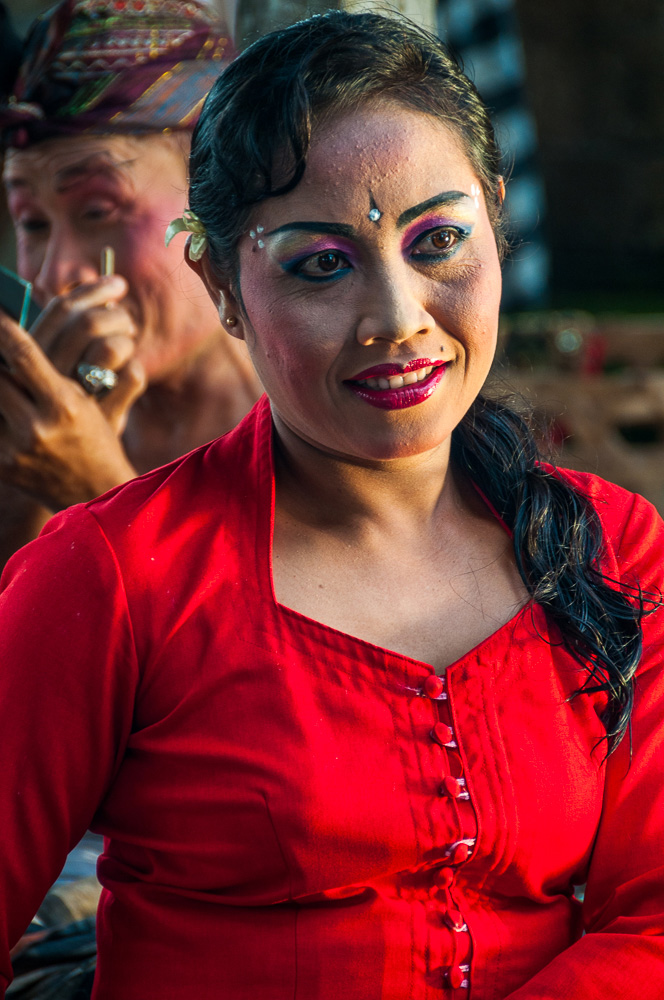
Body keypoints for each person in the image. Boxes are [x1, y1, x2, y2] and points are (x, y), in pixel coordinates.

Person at [1, 10, 664, 999]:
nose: (397, 320)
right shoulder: (108, 571)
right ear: (222, 283)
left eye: (439, 238)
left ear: (495, 214)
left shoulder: (615, 545)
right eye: (320, 264)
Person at [0, 0, 262, 570]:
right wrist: (19, 496)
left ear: (218, 196)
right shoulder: (19, 434)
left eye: (98, 209)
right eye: (32, 223)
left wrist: (93, 489)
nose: (56, 275)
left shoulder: (321, 421)